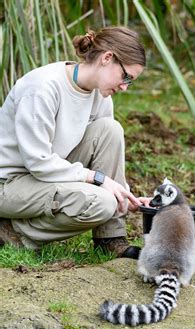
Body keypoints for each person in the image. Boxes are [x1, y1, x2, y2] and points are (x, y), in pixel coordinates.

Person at [0, 27, 152, 259]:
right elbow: (38, 162)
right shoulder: (42, 87)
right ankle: (11, 231)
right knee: (100, 203)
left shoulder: (100, 94)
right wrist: (98, 180)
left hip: (43, 177)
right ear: (107, 58)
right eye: (126, 77)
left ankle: (110, 237)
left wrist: (125, 196)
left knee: (110, 130)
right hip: (10, 183)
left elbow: (104, 154)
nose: (124, 87)